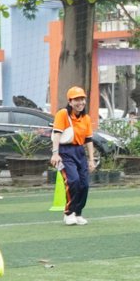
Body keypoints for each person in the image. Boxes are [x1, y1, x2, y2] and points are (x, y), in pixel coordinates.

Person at [49, 86, 95, 225]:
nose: (80, 102)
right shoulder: (63, 114)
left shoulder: (86, 118)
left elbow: (88, 139)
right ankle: (69, 212)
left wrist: (91, 159)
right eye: (76, 100)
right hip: (65, 152)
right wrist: (55, 153)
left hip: (79, 152)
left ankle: (78, 212)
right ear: (70, 102)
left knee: (84, 184)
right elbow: (57, 133)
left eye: (82, 99)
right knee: (72, 181)